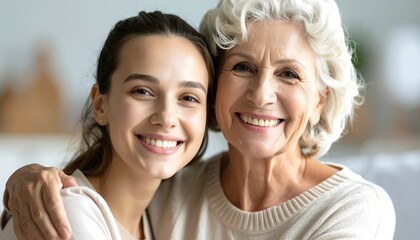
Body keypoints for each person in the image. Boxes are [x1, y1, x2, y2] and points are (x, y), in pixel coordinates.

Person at [2, 0, 396, 239]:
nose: (261, 95)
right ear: (215, 94)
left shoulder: (353, 209)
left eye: (289, 74)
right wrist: (26, 180)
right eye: (243, 67)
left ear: (319, 102)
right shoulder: (170, 188)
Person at [0, 10, 214, 240]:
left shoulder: (151, 220)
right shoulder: (70, 215)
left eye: (189, 98)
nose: (166, 117)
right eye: (142, 91)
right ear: (100, 105)